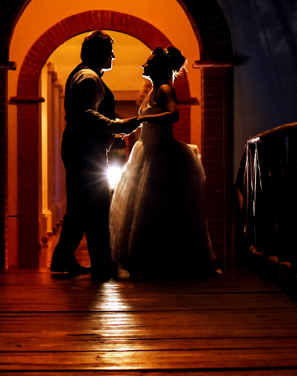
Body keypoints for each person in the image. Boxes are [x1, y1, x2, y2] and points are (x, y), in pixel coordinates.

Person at [110, 46, 215, 278]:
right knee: (144, 211)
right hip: (146, 153)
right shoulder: (155, 89)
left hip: (161, 157)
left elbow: (173, 114)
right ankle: (150, 261)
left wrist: (141, 119)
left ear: (160, 67)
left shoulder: (165, 89)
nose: (143, 65)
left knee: (156, 210)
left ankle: (161, 263)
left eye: (148, 62)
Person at [50, 31, 141, 280]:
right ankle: (101, 266)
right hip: (85, 151)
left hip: (82, 149)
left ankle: (63, 258)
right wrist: (118, 126)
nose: (113, 56)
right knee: (98, 208)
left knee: (81, 208)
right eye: (109, 51)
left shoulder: (87, 75)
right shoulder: (88, 78)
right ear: (96, 53)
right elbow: (84, 114)